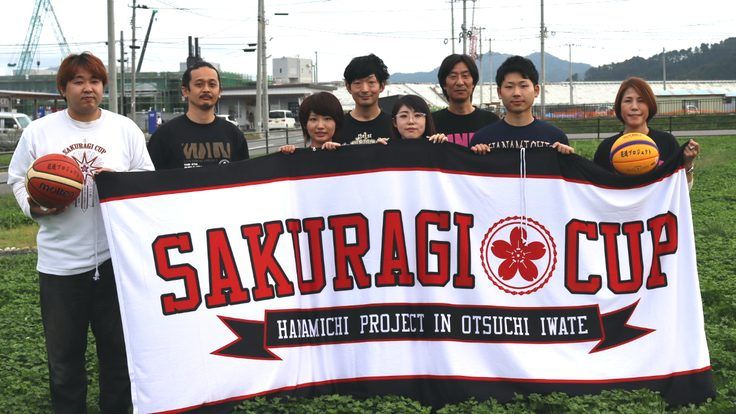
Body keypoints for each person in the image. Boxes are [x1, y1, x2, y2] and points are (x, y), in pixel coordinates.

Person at [7, 52, 153, 413]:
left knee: (118, 360)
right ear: (63, 88)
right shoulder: (39, 131)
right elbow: (17, 179)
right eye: (78, 81)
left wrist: (119, 183)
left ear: (103, 86)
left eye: (95, 81)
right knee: (64, 365)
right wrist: (34, 206)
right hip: (59, 267)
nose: (88, 88)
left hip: (115, 263)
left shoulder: (124, 129)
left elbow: (147, 179)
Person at [593, 77, 700, 186]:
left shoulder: (667, 142)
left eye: (641, 101)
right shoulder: (606, 148)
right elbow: (595, 189)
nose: (634, 107)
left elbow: (680, 190)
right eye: (628, 101)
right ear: (619, 106)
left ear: (650, 105)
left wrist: (687, 164)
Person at [147, 61, 249, 169]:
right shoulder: (164, 136)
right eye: (199, 84)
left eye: (212, 85)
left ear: (219, 91)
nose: (206, 89)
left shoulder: (234, 135)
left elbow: (245, 175)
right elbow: (150, 177)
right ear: (185, 91)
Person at [470, 56, 574, 155]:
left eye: (523, 86)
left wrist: (568, 156)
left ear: (536, 90)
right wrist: (478, 155)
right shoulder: (482, 139)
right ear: (499, 92)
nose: (517, 93)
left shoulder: (555, 138)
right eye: (509, 86)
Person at [432, 54, 500, 147]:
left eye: (465, 76)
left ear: (473, 83)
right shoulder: (431, 122)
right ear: (444, 84)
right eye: (453, 76)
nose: (460, 82)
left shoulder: (491, 121)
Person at [336, 54, 393, 145]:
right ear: (348, 87)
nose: (365, 90)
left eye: (371, 82)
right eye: (357, 83)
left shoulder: (395, 126)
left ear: (382, 86)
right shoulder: (337, 127)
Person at [279, 92, 344, 153]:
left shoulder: (346, 155)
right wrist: (285, 156)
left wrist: (340, 152)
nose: (320, 126)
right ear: (305, 124)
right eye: (313, 119)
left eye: (327, 119)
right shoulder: (297, 157)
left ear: (337, 122)